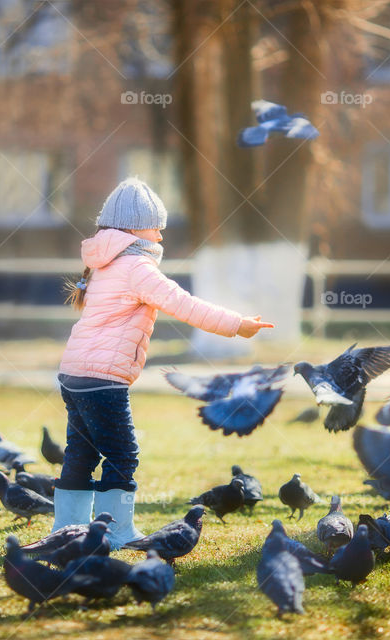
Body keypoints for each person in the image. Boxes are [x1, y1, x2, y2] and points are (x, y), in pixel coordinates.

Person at [52, 176, 274, 548]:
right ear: (134, 229)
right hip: (103, 380)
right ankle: (115, 530)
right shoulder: (137, 267)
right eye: (157, 227)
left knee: (81, 452)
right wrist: (238, 325)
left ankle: (67, 530)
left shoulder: (104, 262)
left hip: (74, 375)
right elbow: (184, 304)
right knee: (123, 454)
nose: (160, 236)